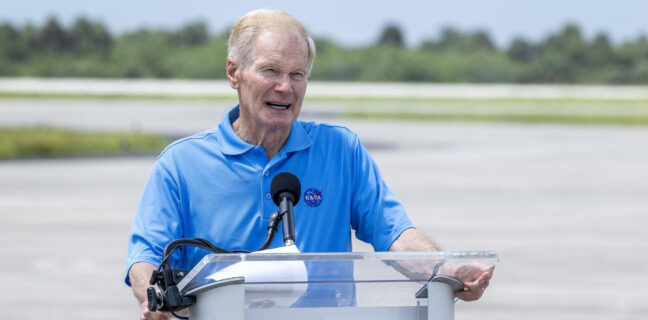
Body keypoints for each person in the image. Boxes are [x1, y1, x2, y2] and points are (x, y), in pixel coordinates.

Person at [125, 8, 493, 319]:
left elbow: (395, 235)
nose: (286, 86)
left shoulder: (340, 150)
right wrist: (153, 298)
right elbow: (145, 259)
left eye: (297, 74)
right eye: (271, 71)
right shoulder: (180, 164)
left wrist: (445, 270)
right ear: (233, 73)